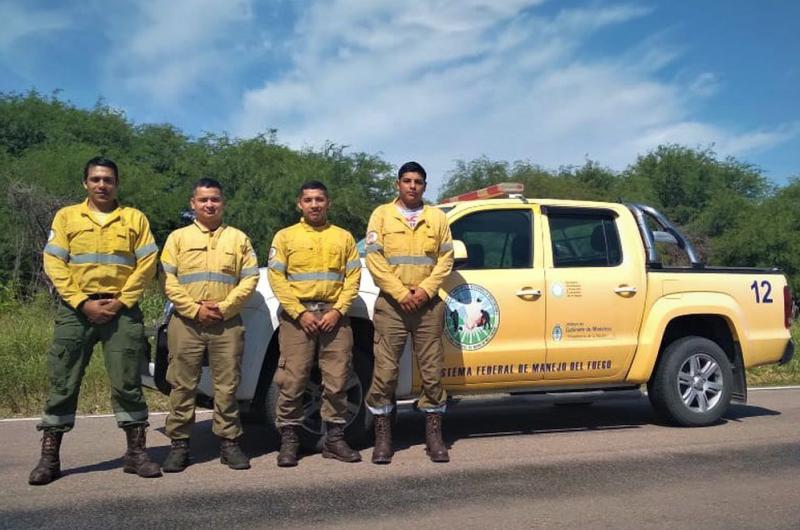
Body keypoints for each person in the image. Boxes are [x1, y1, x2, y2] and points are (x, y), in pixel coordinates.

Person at [30, 156, 161, 485]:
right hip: (77, 312)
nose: (102, 185)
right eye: (95, 179)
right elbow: (54, 262)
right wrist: (81, 302)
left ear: (117, 183)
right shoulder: (67, 217)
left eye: (108, 180)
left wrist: (121, 301)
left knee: (128, 382)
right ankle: (50, 458)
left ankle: (136, 454)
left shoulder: (134, 218)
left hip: (123, 311)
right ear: (85, 183)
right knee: (63, 382)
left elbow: (146, 264)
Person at [159, 178, 259, 472]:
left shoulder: (238, 239)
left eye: (215, 199)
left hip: (226, 323)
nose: (209, 204)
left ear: (222, 203)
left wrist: (226, 308)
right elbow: (167, 279)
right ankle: (179, 445)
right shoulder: (178, 238)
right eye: (203, 200)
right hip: (186, 322)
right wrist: (192, 309)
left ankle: (229, 443)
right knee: (182, 384)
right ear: (193, 204)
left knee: (227, 386)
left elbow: (250, 278)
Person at [364, 161, 454, 464]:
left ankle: (434, 437)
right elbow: (375, 260)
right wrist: (402, 293)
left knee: (431, 372)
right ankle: (383, 437)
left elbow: (445, 258)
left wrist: (426, 291)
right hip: (392, 304)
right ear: (397, 184)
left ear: (425, 186)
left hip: (428, 304)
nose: (412, 186)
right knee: (385, 372)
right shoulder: (382, 215)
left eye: (418, 181)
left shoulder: (437, 218)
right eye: (407, 180)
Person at [268, 181, 362, 467]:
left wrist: (338, 310)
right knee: (293, 379)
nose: (314, 205)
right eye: (308, 200)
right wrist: (299, 313)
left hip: (335, 317)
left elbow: (353, 278)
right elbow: (277, 279)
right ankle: (290, 440)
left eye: (319, 199)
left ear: (328, 203)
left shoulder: (343, 238)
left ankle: (334, 439)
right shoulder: (285, 237)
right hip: (299, 319)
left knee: (337, 379)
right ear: (300, 204)